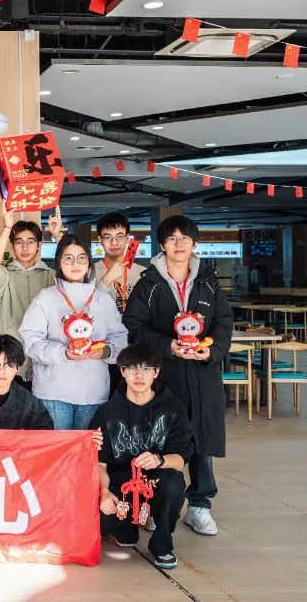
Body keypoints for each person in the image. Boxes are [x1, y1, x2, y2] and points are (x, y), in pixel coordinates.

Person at [123, 215, 233, 537]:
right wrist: (167, 346)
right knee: (159, 438)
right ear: (162, 245)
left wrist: (210, 351)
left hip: (202, 374)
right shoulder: (149, 283)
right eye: (172, 238)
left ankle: (200, 505)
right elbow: (134, 326)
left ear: (194, 243)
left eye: (185, 238)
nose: (179, 243)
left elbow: (223, 322)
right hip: (164, 374)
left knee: (201, 439)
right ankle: (156, 503)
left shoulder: (208, 281)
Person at [92, 343, 193, 570]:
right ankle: (125, 527)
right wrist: (104, 492)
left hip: (155, 482)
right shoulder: (107, 412)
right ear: (122, 371)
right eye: (132, 368)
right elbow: (100, 463)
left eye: (146, 368)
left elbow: (181, 458)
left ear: (156, 372)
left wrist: (159, 460)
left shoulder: (173, 408)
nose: (139, 375)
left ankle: (162, 544)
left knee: (173, 484)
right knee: (98, 519)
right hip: (119, 485)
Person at [19, 234, 128, 430]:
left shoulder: (103, 299)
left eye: (81, 258)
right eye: (68, 258)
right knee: (57, 448)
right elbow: (31, 341)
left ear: (89, 262)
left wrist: (105, 352)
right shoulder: (45, 298)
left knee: (88, 448)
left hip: (93, 392)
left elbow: (120, 337)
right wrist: (64, 352)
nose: (75, 264)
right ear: (59, 263)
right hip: (53, 392)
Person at [0, 209, 61, 384]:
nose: (25, 248)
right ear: (11, 245)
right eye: (19, 242)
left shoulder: (51, 277)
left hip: (46, 363)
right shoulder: (5, 277)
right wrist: (7, 228)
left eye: (30, 242)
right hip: (11, 364)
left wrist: (57, 236)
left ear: (39, 244)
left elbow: (76, 272)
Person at [93, 212, 145, 312]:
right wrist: (105, 281)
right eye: (107, 237)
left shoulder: (142, 273)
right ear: (100, 240)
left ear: (127, 238)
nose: (114, 242)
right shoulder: (89, 273)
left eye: (119, 236)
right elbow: (86, 310)